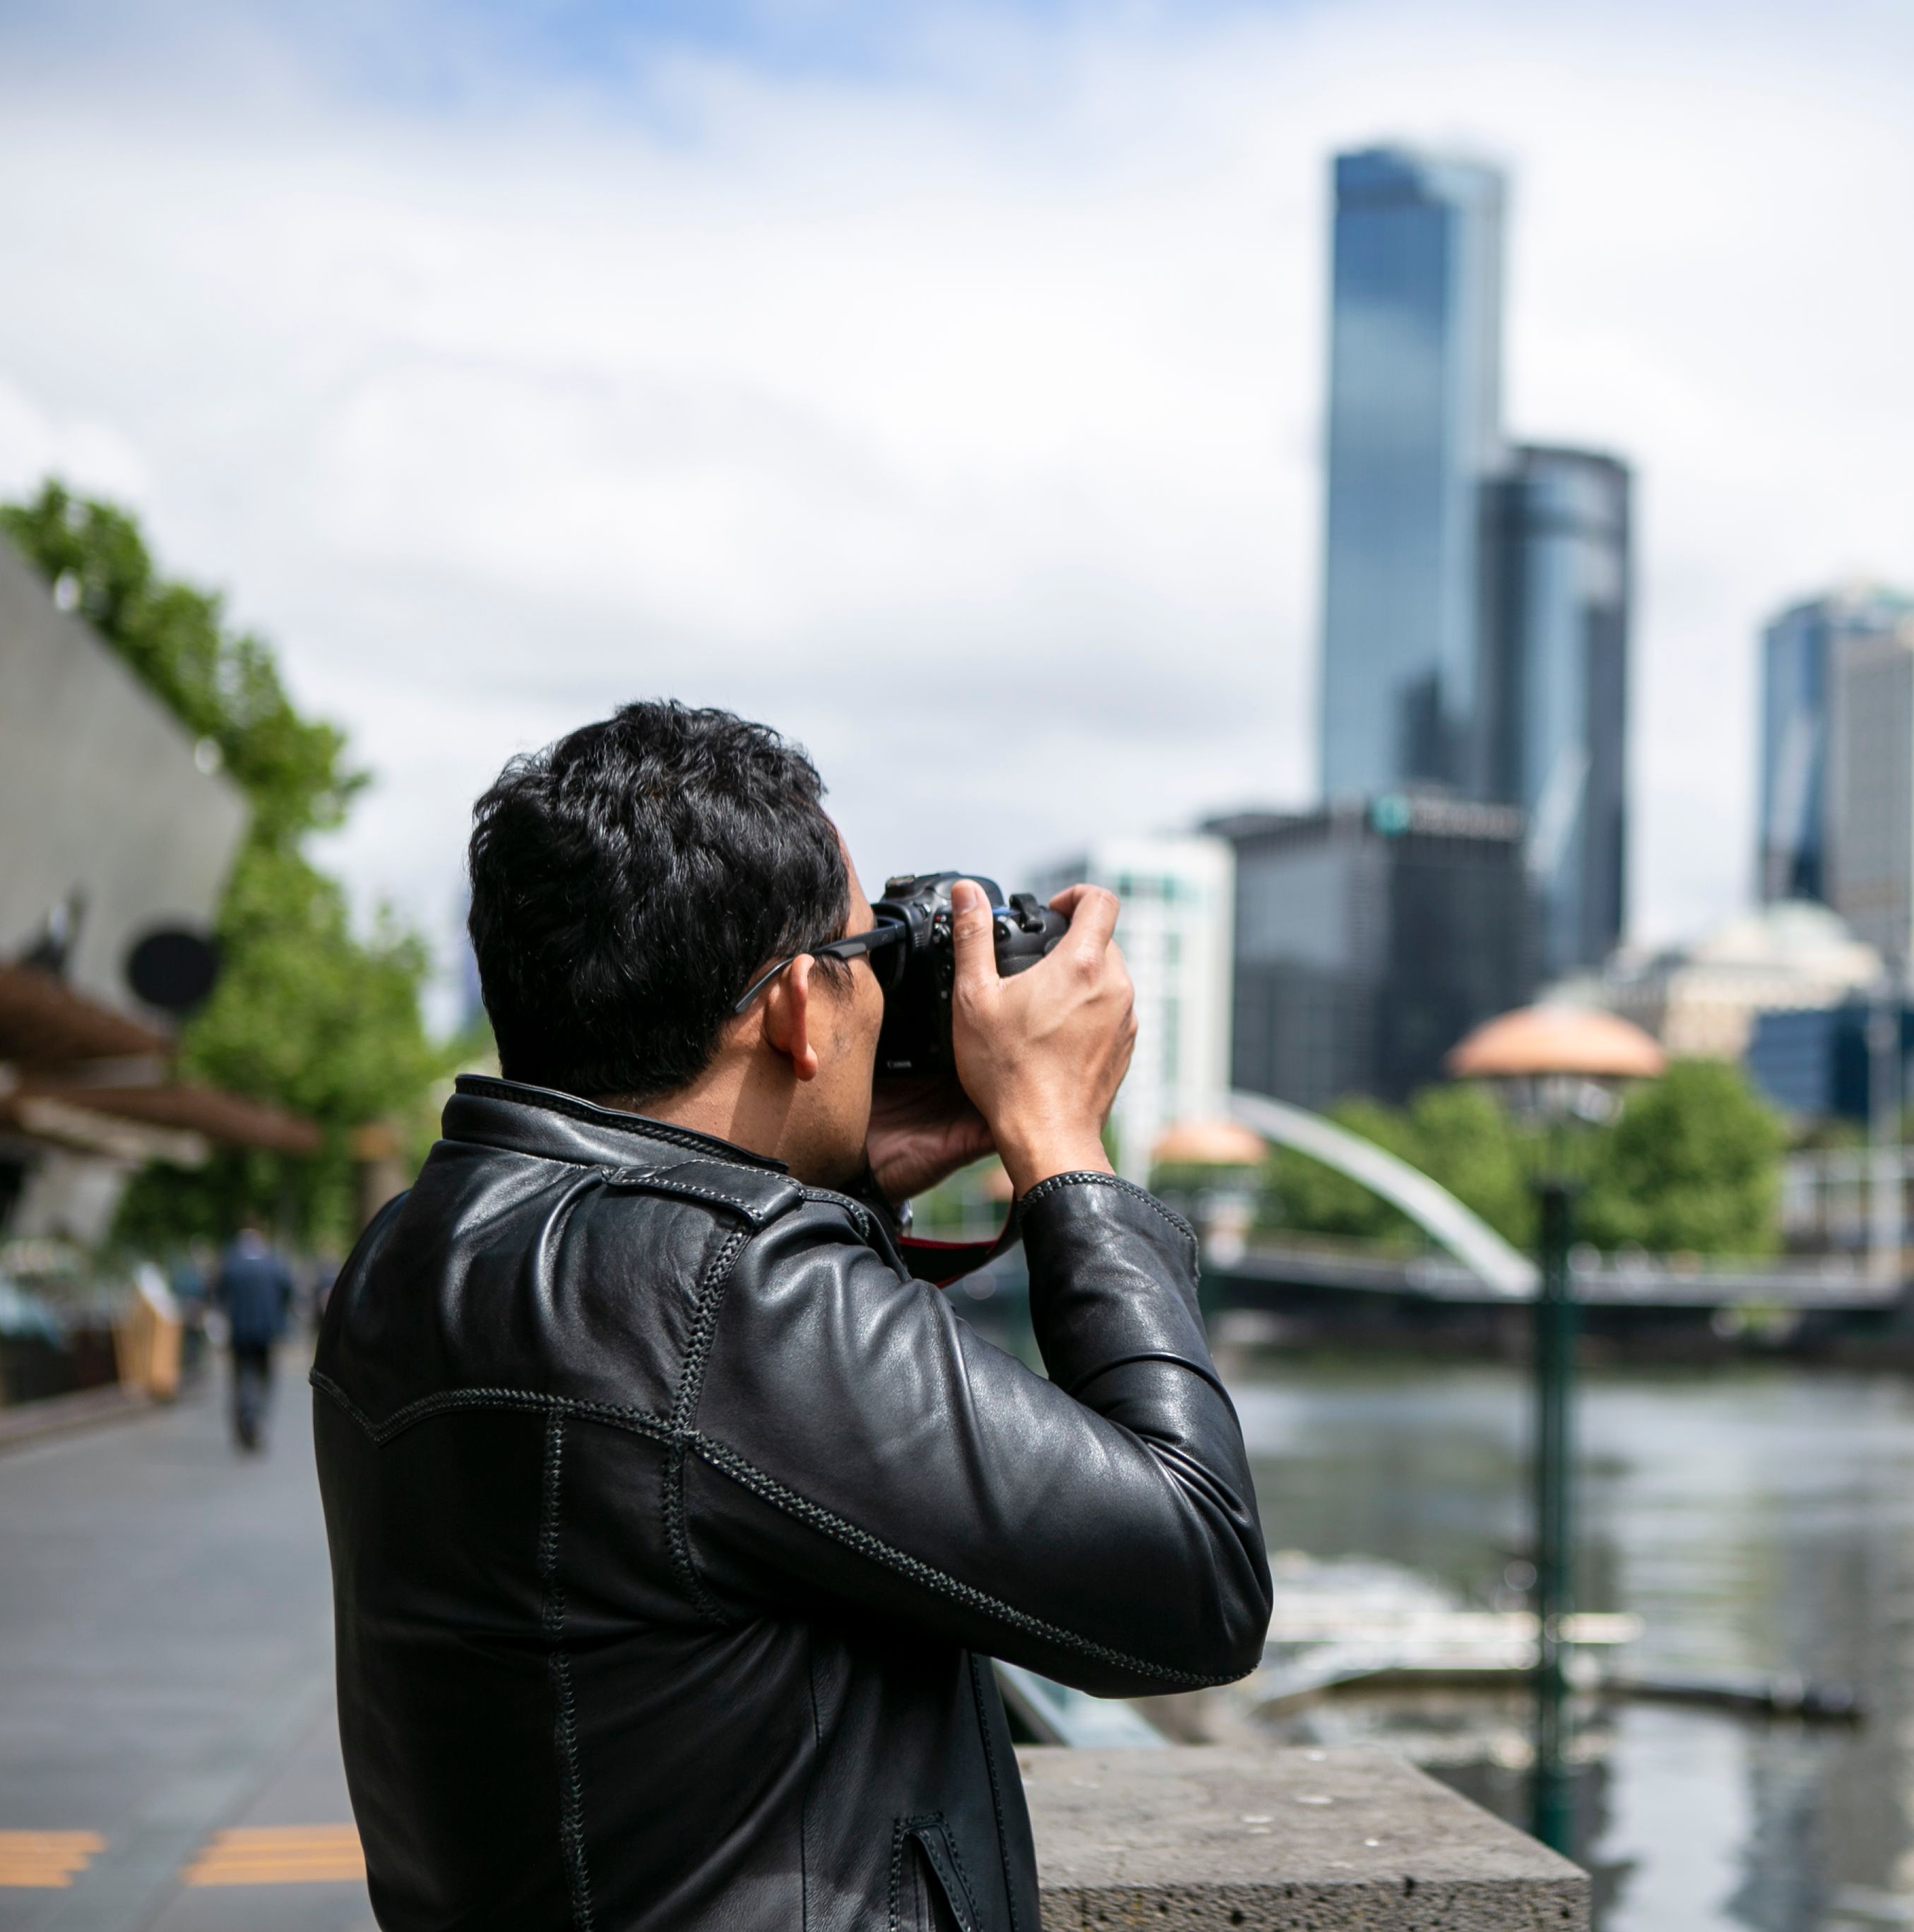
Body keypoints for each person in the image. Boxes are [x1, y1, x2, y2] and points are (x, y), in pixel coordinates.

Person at [311, 703, 1270, 1932]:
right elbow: (1195, 1578)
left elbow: (696, 1468)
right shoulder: (729, 1292)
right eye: (863, 955)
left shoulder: (415, 1247)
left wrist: (842, 1179)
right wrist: (1060, 1147)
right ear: (795, 1014)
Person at [212, 1222, 292, 1452]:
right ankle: (256, 1417)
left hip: (239, 1332)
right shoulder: (273, 1264)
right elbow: (288, 1291)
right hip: (267, 1332)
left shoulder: (231, 1264)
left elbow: (218, 1293)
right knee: (264, 1378)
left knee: (240, 1379)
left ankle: (245, 1418)